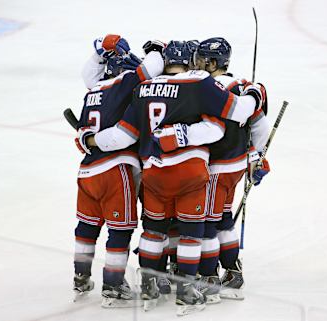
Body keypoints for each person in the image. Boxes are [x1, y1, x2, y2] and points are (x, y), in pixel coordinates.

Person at [78, 40, 266, 315]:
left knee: (154, 229)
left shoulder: (142, 88)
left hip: (153, 172)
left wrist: (90, 139)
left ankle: (151, 284)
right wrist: (256, 97)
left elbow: (124, 135)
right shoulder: (199, 82)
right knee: (195, 230)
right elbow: (224, 124)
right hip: (192, 171)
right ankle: (195, 284)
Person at [72, 34, 164, 308]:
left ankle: (80, 277)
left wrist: (100, 53)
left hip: (87, 173)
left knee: (86, 227)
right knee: (120, 230)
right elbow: (153, 67)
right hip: (116, 170)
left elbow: (87, 72)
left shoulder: (92, 91)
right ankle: (112, 286)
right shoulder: (124, 84)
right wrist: (157, 47)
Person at [191, 37, 271, 302]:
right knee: (223, 217)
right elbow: (260, 126)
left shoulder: (208, 88)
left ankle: (209, 276)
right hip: (236, 167)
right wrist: (256, 157)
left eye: (201, 58)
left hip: (216, 167)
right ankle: (233, 271)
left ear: (213, 62)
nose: (196, 62)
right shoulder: (242, 86)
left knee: (207, 223)